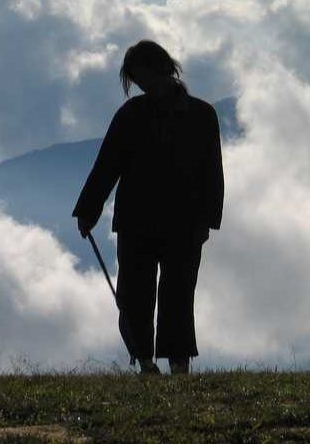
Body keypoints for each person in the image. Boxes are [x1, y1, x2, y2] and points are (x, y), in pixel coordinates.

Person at [73, 40, 223, 375]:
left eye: (147, 80)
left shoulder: (200, 116)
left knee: (178, 296)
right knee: (134, 295)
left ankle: (178, 364)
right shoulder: (134, 115)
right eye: (140, 83)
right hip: (138, 221)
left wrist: (207, 220)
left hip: (181, 221)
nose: (145, 88)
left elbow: (212, 171)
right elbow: (107, 165)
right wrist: (88, 210)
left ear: (165, 70)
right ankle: (144, 362)